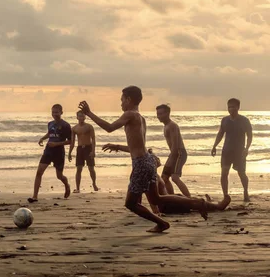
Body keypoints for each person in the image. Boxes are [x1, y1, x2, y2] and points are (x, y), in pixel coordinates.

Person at [79, 85, 208, 233]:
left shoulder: (129, 114)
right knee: (156, 199)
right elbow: (138, 147)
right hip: (148, 160)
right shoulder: (141, 118)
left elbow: (109, 127)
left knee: (131, 203)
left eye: (122, 100)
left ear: (129, 99)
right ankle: (197, 202)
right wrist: (118, 146)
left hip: (141, 163)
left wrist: (89, 113)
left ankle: (162, 223)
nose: (120, 103)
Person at [148, 150, 231, 214]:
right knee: (192, 202)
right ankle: (218, 206)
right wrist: (156, 211)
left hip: (168, 202)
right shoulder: (153, 176)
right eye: (156, 158)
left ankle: (210, 205)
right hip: (167, 206)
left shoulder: (155, 175)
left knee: (188, 199)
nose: (158, 159)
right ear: (152, 161)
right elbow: (151, 196)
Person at [28, 104, 73, 203]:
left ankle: (66, 184)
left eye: (56, 112)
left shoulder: (66, 125)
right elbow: (50, 133)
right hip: (48, 151)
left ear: (61, 112)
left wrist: (56, 144)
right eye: (53, 112)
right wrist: (43, 138)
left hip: (59, 152)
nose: (55, 114)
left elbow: (70, 141)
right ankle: (35, 196)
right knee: (39, 172)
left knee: (59, 176)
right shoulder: (50, 124)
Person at [211, 98, 253, 202]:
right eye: (229, 107)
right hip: (227, 151)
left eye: (233, 107)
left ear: (238, 107)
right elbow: (220, 133)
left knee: (241, 173)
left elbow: (250, 135)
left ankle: (246, 192)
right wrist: (214, 146)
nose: (231, 109)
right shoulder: (225, 120)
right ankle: (225, 195)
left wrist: (247, 149)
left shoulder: (244, 120)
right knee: (224, 173)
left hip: (239, 151)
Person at [156, 104, 191, 197]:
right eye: (158, 114)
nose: (159, 116)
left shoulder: (172, 126)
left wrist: (171, 158)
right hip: (173, 154)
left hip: (179, 153)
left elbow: (175, 145)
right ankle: (173, 198)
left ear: (167, 113)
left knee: (175, 178)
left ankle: (190, 199)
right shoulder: (166, 126)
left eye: (161, 114)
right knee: (164, 178)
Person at [68, 110, 99, 192]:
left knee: (91, 168)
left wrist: (93, 151)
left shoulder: (89, 127)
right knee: (79, 169)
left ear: (85, 117)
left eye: (82, 116)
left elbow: (93, 139)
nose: (81, 117)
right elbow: (73, 142)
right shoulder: (74, 128)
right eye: (79, 116)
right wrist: (69, 153)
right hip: (80, 149)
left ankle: (94, 183)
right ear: (77, 117)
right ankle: (78, 188)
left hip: (88, 148)